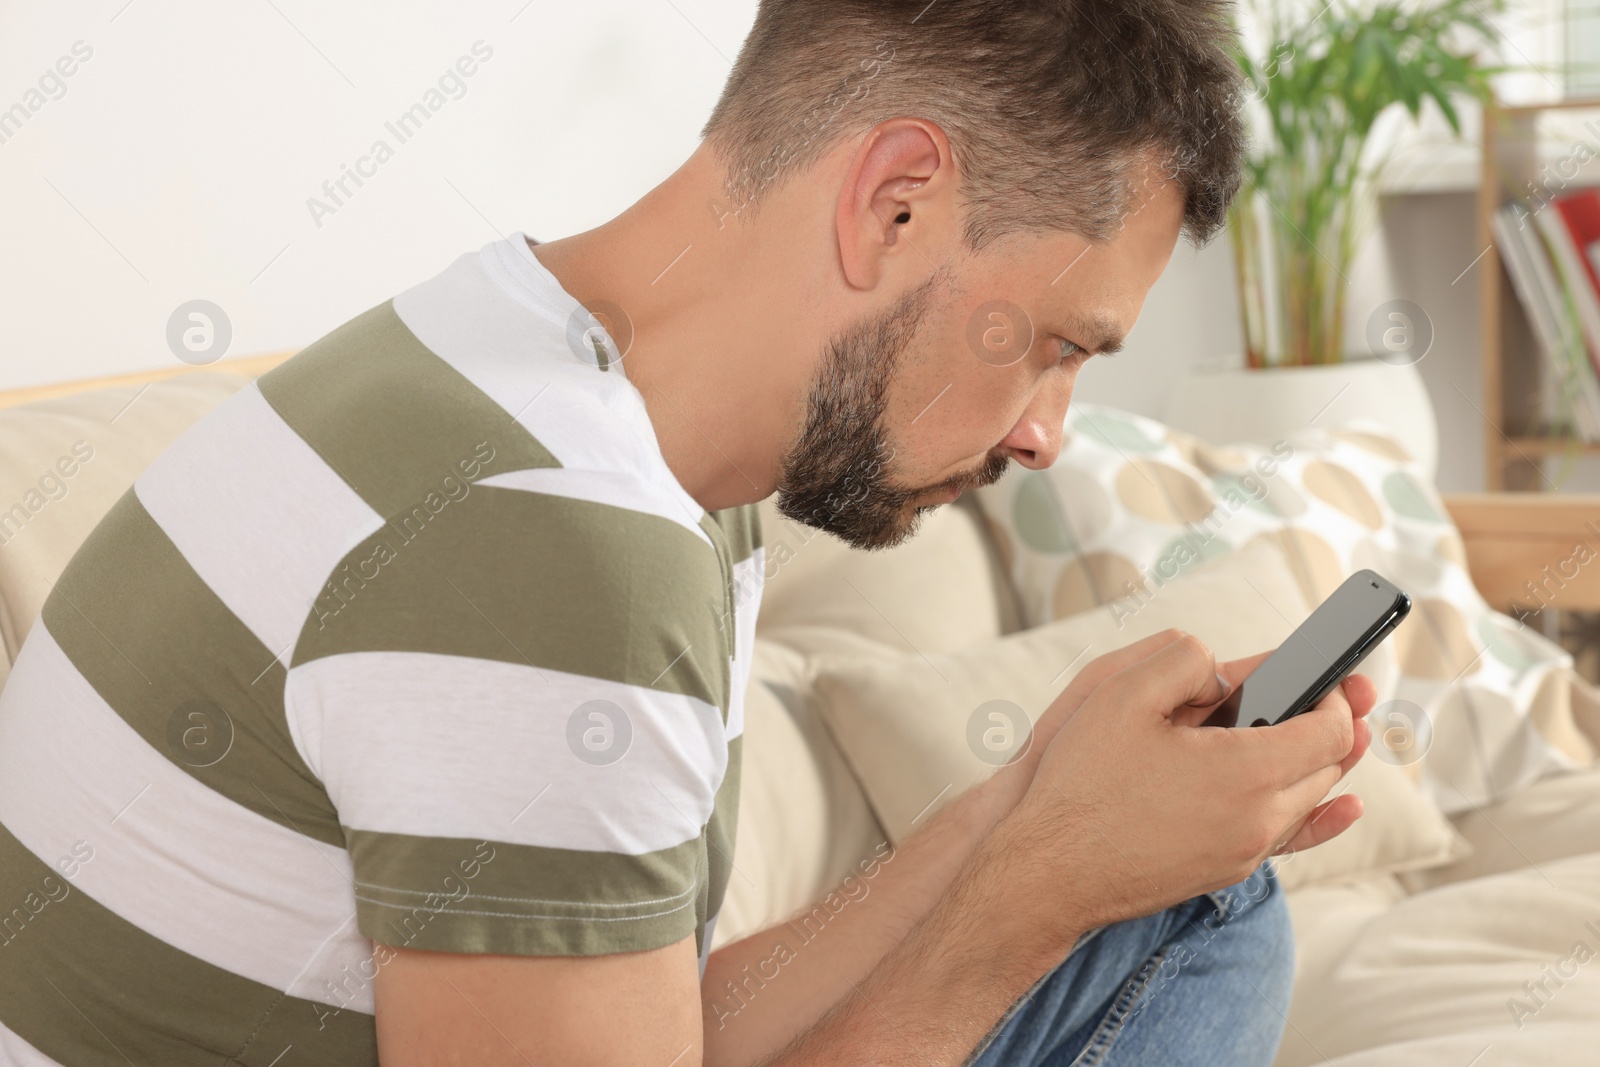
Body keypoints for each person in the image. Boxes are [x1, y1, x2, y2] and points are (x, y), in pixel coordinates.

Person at [0, 1, 1377, 1064]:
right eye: (1057, 347)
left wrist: (1030, 802)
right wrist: (1044, 882)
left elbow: (667, 1026)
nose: (1045, 434)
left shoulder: (522, 372)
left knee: (1187, 898)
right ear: (895, 200)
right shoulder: (553, 544)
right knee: (1205, 923)